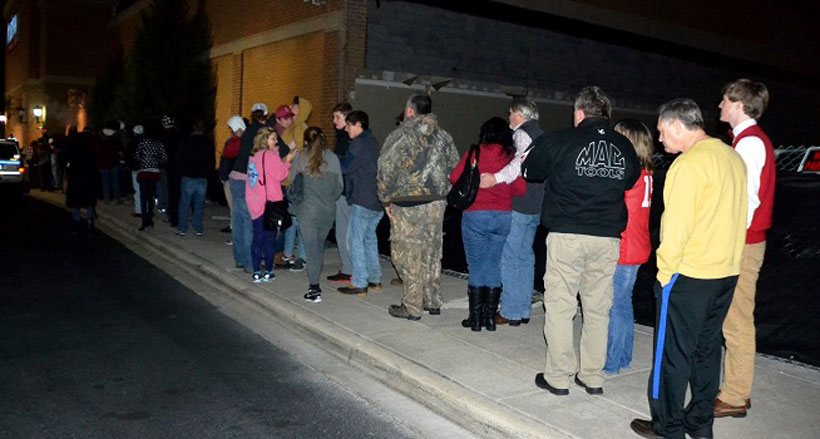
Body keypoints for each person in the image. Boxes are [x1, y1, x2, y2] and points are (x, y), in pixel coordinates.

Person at [629, 98, 747, 439]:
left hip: (689, 276)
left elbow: (675, 230)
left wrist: (664, 276)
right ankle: (700, 424)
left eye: (663, 132)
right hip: (725, 273)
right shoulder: (731, 156)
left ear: (679, 126)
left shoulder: (687, 165)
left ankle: (667, 427)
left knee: (672, 356)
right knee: (706, 351)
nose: (661, 139)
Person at [522, 86, 640, 396]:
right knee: (598, 308)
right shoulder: (624, 145)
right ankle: (592, 376)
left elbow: (530, 171)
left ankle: (559, 377)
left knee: (561, 305)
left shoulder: (560, 140)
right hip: (607, 238)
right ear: (606, 114)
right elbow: (631, 178)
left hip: (568, 235)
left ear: (578, 113)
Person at [714, 79, 776, 419]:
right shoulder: (748, 141)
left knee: (735, 323)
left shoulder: (750, 144)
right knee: (735, 320)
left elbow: (746, 202)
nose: (720, 105)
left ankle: (735, 396)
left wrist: (726, 240)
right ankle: (737, 391)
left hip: (743, 243)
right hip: (747, 241)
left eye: (725, 100)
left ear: (740, 104)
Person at [378, 93, 460, 320]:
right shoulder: (444, 137)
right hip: (436, 202)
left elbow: (385, 168)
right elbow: (455, 167)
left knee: (407, 253)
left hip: (408, 204)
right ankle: (431, 299)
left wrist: (385, 199)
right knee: (432, 250)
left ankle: (412, 305)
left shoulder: (401, 135)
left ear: (410, 111)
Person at [451, 117, 525, 331]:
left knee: (476, 265)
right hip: (502, 216)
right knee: (493, 264)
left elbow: (454, 177)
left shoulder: (476, 152)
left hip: (476, 214)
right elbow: (520, 189)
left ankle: (475, 320)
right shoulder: (511, 158)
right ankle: (490, 318)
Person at [480, 97, 545, 327]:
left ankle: (510, 311)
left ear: (519, 114)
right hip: (535, 205)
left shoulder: (521, 134)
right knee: (525, 258)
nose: (509, 117)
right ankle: (522, 309)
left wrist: (494, 178)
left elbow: (516, 165)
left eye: (510, 112)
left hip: (520, 204)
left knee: (510, 258)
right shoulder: (541, 135)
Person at [603, 119, 655, 375]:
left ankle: (611, 362)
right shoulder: (646, 173)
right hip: (637, 244)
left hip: (624, 246)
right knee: (623, 303)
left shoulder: (628, 173)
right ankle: (623, 356)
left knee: (614, 304)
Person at [291, 127, 343, 303]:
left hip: (308, 211)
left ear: (306, 141)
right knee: (318, 249)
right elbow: (339, 189)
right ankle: (314, 283)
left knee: (312, 250)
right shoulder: (333, 158)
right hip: (327, 212)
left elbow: (292, 185)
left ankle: (314, 289)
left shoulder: (300, 157)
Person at [337, 110, 385, 295]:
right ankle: (375, 278)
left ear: (358, 125)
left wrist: (334, 159)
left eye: (349, 125)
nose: (346, 129)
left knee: (354, 241)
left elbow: (346, 166)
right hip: (375, 200)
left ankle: (359, 282)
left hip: (363, 199)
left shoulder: (358, 144)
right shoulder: (373, 142)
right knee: (369, 239)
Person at [245, 127, 294, 282]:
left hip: (255, 202)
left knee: (257, 238)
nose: (276, 141)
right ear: (265, 140)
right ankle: (269, 270)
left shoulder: (253, 157)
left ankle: (256, 270)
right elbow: (280, 175)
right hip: (269, 202)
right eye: (273, 138)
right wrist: (287, 162)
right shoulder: (271, 156)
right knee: (269, 239)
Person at [230, 104, 268, 272]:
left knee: (238, 220)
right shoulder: (262, 132)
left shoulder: (247, 132)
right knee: (249, 222)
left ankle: (239, 259)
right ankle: (250, 263)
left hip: (235, 177)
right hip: (246, 179)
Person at [328, 102, 355, 284]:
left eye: (337, 117)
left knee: (346, 232)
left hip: (346, 191)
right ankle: (348, 267)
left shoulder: (347, 139)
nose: (334, 121)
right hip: (344, 190)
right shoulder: (343, 137)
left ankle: (350, 269)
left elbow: (345, 166)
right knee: (344, 231)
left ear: (346, 118)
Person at [176, 120, 215, 237]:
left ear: (194, 127)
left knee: (184, 203)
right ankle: (197, 228)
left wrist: (181, 171)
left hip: (188, 176)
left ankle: (182, 228)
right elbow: (211, 161)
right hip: (202, 177)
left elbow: (180, 158)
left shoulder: (187, 141)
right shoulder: (208, 142)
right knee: (199, 204)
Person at [64, 127, 99, 233]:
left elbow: (68, 159)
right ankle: (90, 217)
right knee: (88, 199)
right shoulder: (90, 148)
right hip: (88, 176)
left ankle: (76, 218)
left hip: (76, 176)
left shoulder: (74, 147)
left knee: (76, 199)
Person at [135, 124, 168, 231]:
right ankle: (150, 216)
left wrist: (142, 162)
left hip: (144, 171)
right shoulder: (158, 143)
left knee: (143, 196)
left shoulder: (143, 142)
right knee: (150, 195)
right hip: (154, 171)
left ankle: (145, 220)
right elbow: (164, 157)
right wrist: (156, 163)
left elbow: (136, 156)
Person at [219, 115, 245, 237]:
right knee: (234, 206)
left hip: (234, 178)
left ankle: (236, 230)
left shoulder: (237, 142)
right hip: (229, 177)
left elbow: (228, 154)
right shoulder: (235, 141)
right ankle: (234, 226)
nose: (231, 132)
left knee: (235, 206)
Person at [158, 115, 182, 226]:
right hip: (178, 167)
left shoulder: (163, 137)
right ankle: (178, 214)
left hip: (167, 167)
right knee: (177, 192)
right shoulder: (179, 135)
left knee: (168, 192)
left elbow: (161, 153)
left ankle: (171, 215)